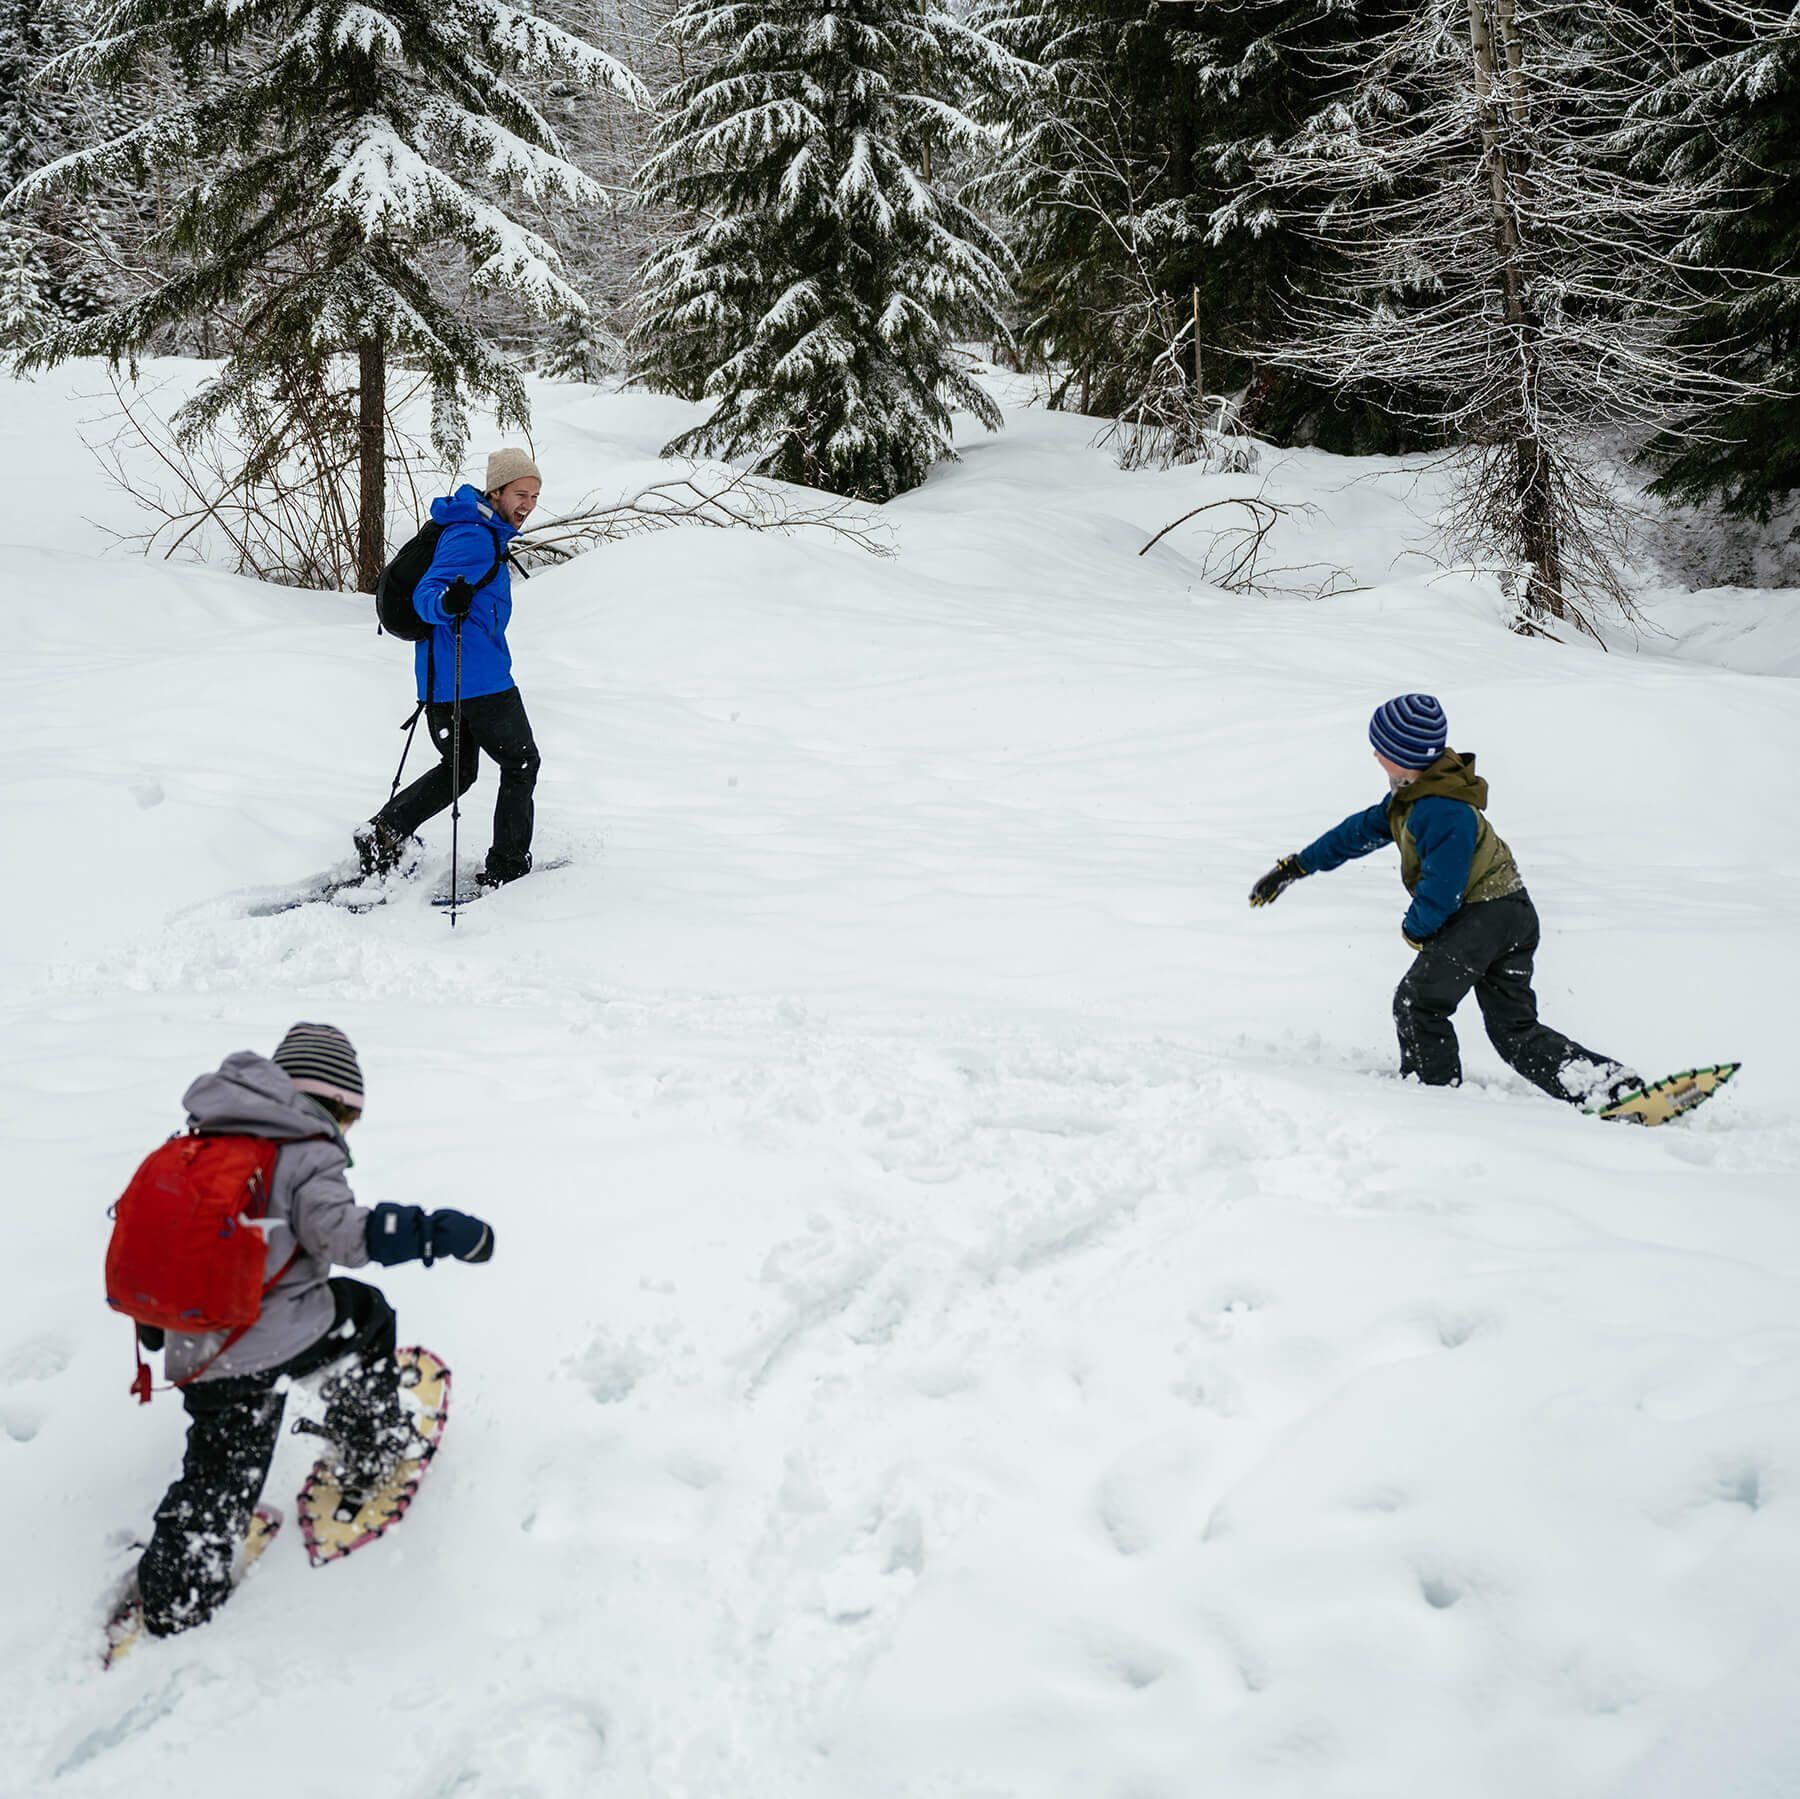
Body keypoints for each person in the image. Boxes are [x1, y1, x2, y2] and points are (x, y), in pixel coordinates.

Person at [133, 1023, 495, 1638]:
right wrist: (440, 1232)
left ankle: (175, 1589)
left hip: (196, 1342)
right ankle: (371, 1446)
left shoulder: (202, 1136)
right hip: (269, 1335)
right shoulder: (305, 1146)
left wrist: (155, 1321)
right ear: (342, 1105)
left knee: (222, 1466)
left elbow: (164, 1238)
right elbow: (345, 1237)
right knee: (367, 1318)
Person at [1248, 693, 1641, 1107]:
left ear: (1404, 754)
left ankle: (1433, 1105)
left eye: (1381, 749)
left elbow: (1444, 886)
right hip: (1506, 914)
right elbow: (1355, 834)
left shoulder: (1441, 809)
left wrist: (1415, 929)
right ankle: (1611, 1089)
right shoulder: (1413, 797)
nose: (1376, 755)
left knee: (1417, 1004)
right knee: (1514, 1032)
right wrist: (1296, 866)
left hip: (1486, 916)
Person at [355, 448, 544, 887]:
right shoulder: (472, 535)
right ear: (495, 491)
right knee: (520, 763)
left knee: (458, 770)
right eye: (521, 494)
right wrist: (444, 601)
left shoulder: (475, 528)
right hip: (479, 681)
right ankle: (508, 865)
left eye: (535, 496)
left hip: (444, 683)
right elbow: (428, 594)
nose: (528, 505)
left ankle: (384, 832)